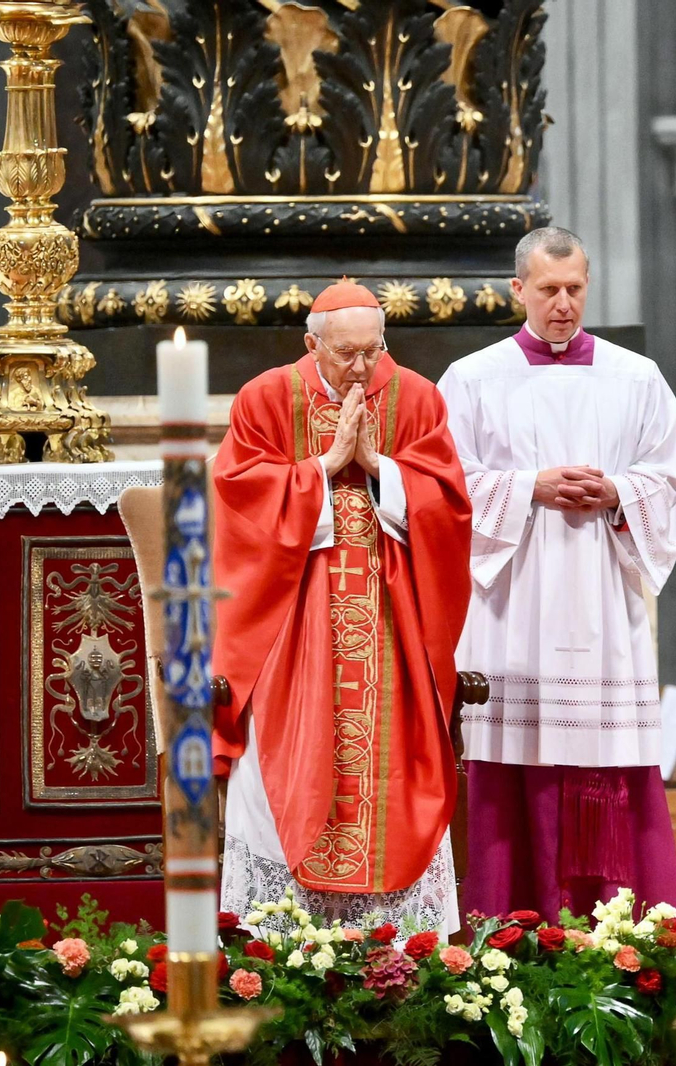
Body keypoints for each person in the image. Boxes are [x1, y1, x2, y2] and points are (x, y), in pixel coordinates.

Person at [211, 280, 473, 934]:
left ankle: (401, 955)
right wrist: (322, 469)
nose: (362, 369)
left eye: (372, 351)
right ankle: (280, 950)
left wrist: (382, 468)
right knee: (286, 760)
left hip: (392, 625)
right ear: (312, 344)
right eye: (346, 355)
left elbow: (449, 504)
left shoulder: (415, 397)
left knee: (397, 763)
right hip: (292, 625)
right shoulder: (266, 398)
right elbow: (237, 504)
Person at [440, 227, 676, 919]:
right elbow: (442, 486)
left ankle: (618, 929)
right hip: (513, 602)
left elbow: (665, 481)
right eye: (548, 290)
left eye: (575, 288)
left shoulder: (635, 378)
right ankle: (511, 927)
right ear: (517, 289)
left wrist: (618, 494)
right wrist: (528, 488)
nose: (563, 304)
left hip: (602, 601)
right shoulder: (472, 379)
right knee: (512, 769)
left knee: (606, 762)